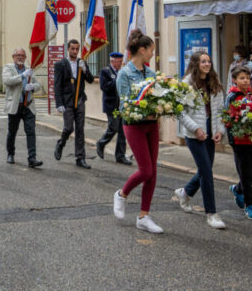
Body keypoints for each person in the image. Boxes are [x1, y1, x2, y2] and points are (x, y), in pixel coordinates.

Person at [112, 30, 163, 234]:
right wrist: (144, 112)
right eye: (151, 50)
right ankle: (122, 194)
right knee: (145, 170)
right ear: (142, 50)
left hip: (152, 125)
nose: (152, 54)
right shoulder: (124, 74)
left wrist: (161, 108)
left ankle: (144, 216)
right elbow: (124, 105)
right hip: (133, 126)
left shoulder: (150, 73)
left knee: (153, 173)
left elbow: (157, 97)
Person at [174, 51, 227, 230]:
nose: (207, 64)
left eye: (209, 61)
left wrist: (220, 130)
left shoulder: (215, 83)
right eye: (203, 61)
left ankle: (185, 192)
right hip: (194, 135)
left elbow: (220, 110)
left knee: (205, 170)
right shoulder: (187, 84)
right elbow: (180, 111)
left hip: (210, 134)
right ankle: (211, 213)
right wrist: (195, 129)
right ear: (196, 63)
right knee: (207, 172)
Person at [225, 65, 252, 221]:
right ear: (234, 80)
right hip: (240, 140)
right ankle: (249, 205)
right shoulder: (233, 96)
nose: (245, 80)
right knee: (246, 173)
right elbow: (228, 118)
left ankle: (237, 189)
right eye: (241, 78)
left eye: (247, 77)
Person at [53, 39, 95, 169]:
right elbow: (57, 85)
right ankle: (61, 143)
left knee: (80, 129)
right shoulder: (60, 64)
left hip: (80, 100)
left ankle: (80, 158)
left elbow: (91, 80)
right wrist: (59, 102)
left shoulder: (81, 63)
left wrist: (85, 69)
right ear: (68, 49)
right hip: (67, 101)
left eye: (77, 49)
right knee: (68, 128)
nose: (75, 51)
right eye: (72, 49)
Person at [2, 48, 43, 168]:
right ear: (13, 56)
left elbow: (38, 84)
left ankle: (32, 158)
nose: (20, 57)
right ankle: (10, 154)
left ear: (25, 57)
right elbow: (7, 81)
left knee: (31, 132)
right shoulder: (8, 68)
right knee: (12, 132)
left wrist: (33, 87)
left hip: (29, 105)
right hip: (16, 105)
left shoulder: (29, 69)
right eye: (17, 55)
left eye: (22, 55)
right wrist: (22, 75)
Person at [96, 52, 132, 165]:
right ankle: (101, 143)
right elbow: (104, 87)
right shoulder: (105, 71)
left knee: (123, 131)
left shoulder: (122, 72)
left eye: (121, 62)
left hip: (122, 105)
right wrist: (116, 80)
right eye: (119, 62)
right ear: (112, 61)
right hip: (111, 105)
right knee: (114, 127)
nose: (121, 64)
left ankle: (120, 155)